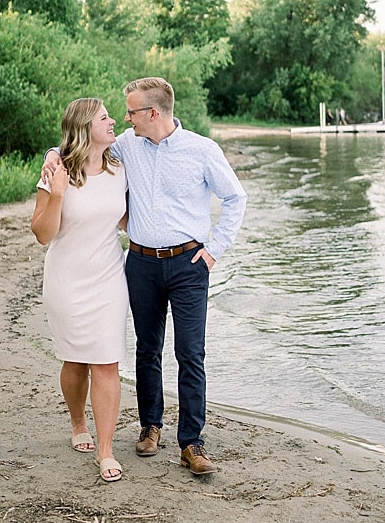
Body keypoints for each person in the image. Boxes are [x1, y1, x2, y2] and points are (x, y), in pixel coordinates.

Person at [44, 77, 246, 475]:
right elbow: (79, 142)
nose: (124, 119)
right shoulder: (125, 148)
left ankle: (192, 443)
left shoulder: (202, 150)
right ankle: (150, 427)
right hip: (140, 264)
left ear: (152, 113)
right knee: (146, 350)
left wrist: (214, 251)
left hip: (190, 265)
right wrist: (53, 153)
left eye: (132, 112)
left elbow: (236, 197)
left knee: (191, 353)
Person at [31, 99, 129, 483]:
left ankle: (106, 450)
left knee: (106, 361)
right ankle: (77, 423)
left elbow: (125, 218)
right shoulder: (57, 171)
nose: (113, 121)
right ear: (86, 127)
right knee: (75, 360)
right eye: (105, 117)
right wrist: (56, 193)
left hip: (108, 278)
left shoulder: (119, 167)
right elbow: (42, 234)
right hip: (66, 280)